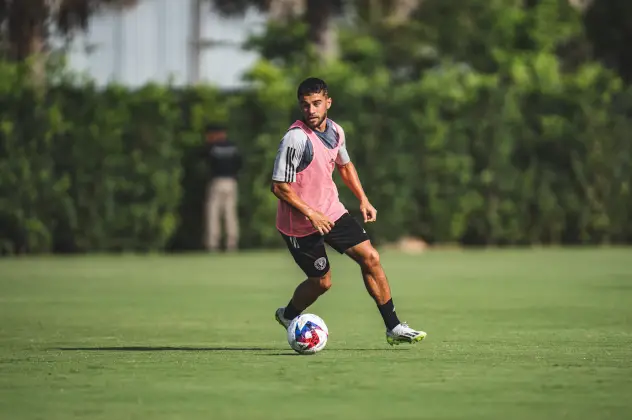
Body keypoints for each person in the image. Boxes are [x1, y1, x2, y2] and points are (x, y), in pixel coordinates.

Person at [270, 77, 427, 345]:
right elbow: (279, 187)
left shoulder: (336, 131)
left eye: (317, 103)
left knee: (371, 258)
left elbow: (344, 165)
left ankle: (393, 327)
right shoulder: (294, 139)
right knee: (322, 282)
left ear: (328, 103)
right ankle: (288, 314)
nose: (311, 110)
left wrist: (363, 199)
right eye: (305, 105)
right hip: (299, 224)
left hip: (330, 211)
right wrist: (311, 213)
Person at [204, 123, 241, 252]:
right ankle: (232, 243)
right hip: (231, 181)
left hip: (217, 181)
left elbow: (206, 162)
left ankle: (213, 243)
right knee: (230, 213)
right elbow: (239, 163)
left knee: (213, 213)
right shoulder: (233, 147)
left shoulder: (212, 148)